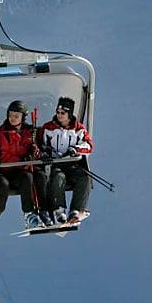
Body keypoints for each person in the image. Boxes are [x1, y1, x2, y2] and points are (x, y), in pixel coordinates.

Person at [0, 100, 43, 232]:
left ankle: (29, 214)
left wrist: (34, 152)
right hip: (1, 172)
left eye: (16, 116)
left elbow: (36, 152)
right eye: (10, 115)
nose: (12, 118)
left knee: (28, 177)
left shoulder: (30, 132)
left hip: (18, 171)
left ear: (23, 117)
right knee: (2, 186)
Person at [39, 96, 93, 225]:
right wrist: (45, 153)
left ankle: (76, 209)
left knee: (85, 178)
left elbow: (89, 146)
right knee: (58, 177)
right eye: (58, 112)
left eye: (63, 113)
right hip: (56, 163)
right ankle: (59, 209)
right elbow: (39, 144)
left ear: (69, 114)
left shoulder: (78, 129)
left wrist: (75, 149)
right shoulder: (48, 128)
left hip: (72, 163)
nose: (59, 115)